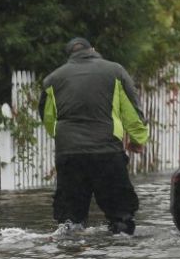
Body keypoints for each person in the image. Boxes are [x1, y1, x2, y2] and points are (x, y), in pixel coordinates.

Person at [37, 37, 149, 235]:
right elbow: (131, 111)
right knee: (121, 217)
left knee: (69, 223)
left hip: (70, 155)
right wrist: (137, 140)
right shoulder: (115, 72)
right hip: (107, 152)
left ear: (70, 55)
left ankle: (72, 255)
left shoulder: (53, 79)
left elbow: (48, 118)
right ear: (93, 49)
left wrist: (66, 141)